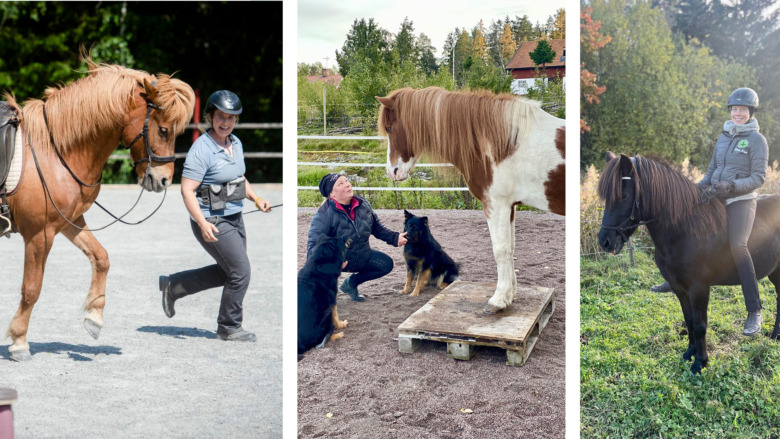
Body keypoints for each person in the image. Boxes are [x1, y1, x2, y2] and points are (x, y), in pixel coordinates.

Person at [159, 90, 271, 342]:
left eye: (231, 118)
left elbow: (239, 179)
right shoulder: (202, 149)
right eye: (221, 117)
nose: (226, 123)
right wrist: (202, 222)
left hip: (234, 217)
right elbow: (187, 190)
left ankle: (174, 286)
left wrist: (257, 198)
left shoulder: (236, 143)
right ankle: (229, 326)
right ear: (210, 116)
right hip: (212, 220)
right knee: (241, 272)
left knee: (227, 272)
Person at [658, 87, 767, 337]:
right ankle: (674, 278)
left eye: (743, 109)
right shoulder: (724, 136)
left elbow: (758, 177)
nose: (738, 113)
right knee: (683, 224)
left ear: (751, 112)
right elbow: (710, 172)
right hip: (714, 195)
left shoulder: (756, 140)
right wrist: (691, 192)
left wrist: (732, 186)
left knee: (738, 244)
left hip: (740, 199)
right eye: (734, 109)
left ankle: (754, 310)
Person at [306, 173, 407, 301]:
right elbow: (313, 246)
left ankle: (350, 284)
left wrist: (394, 237)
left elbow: (376, 227)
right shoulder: (323, 215)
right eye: (341, 183)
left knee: (386, 264)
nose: (348, 184)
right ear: (332, 194)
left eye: (347, 181)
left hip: (361, 256)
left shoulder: (363, 204)